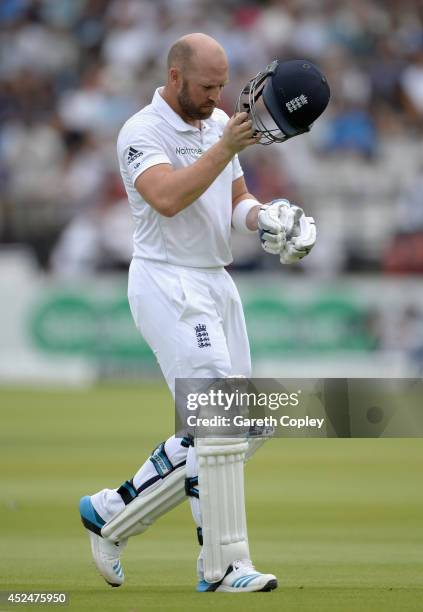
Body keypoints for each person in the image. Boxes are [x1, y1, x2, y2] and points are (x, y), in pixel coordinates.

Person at [79, 32, 324, 594]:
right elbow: (165, 196)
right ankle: (223, 566)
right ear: (175, 77)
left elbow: (234, 200)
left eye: (223, 85)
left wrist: (265, 219)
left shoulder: (216, 125)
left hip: (216, 282)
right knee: (218, 421)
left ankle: (112, 511)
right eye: (208, 86)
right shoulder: (142, 131)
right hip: (169, 281)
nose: (218, 97)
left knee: (250, 424)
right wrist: (226, 147)